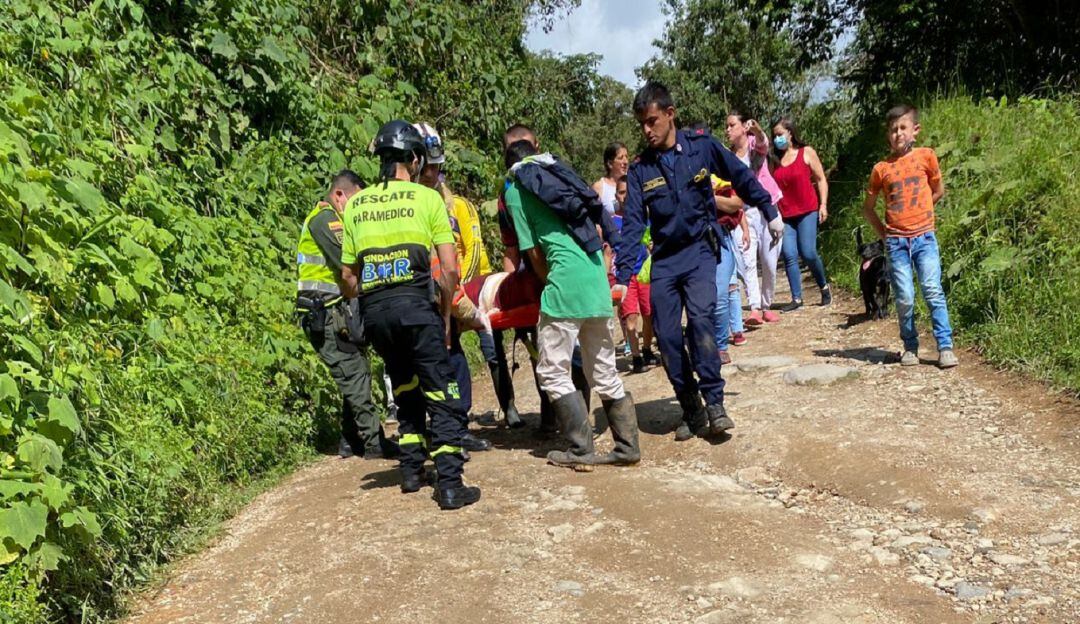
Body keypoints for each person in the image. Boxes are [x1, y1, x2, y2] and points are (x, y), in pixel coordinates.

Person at [617, 81, 782, 441]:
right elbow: (631, 226)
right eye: (642, 124)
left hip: (700, 251)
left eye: (652, 121)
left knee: (703, 322)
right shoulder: (641, 169)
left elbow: (740, 176)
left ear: (670, 114)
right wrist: (621, 275)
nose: (646, 130)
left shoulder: (701, 147)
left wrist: (768, 209)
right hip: (665, 259)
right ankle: (689, 405)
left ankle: (715, 402)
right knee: (666, 335)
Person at [340, 120, 480, 510]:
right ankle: (450, 483)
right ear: (414, 159)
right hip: (417, 308)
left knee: (404, 388)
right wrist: (448, 316)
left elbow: (348, 278)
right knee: (442, 391)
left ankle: (411, 470)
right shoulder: (427, 199)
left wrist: (372, 291)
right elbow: (450, 270)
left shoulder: (357, 205)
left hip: (376, 315)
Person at [504, 139, 640, 468]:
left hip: (564, 283)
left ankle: (581, 449)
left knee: (552, 371)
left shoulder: (515, 188)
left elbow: (532, 251)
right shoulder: (561, 177)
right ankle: (627, 447)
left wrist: (547, 282)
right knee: (603, 369)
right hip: (595, 279)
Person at [495, 123, 591, 435]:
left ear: (536, 146)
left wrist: (552, 280)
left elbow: (532, 248)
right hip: (543, 279)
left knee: (570, 352)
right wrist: (510, 292)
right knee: (547, 352)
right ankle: (555, 418)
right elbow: (513, 248)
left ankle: (579, 427)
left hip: (560, 274)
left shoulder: (555, 176)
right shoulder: (508, 192)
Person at [411, 122, 499, 447]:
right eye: (428, 166)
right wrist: (466, 309)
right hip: (425, 300)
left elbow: (456, 260)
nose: (434, 173)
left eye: (437, 167)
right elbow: (439, 266)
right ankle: (444, 436)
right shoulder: (419, 204)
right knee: (443, 365)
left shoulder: (444, 202)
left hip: (441, 299)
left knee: (453, 361)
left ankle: (449, 430)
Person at [295, 170, 392, 459]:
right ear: (339, 195)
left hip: (335, 311)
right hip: (325, 313)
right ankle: (374, 442)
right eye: (355, 200)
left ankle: (350, 440)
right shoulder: (325, 220)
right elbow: (349, 262)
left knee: (356, 370)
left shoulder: (331, 218)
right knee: (355, 373)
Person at [862, 105, 958, 369]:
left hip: (924, 238)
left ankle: (945, 345)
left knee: (932, 290)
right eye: (893, 130)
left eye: (903, 128)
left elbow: (937, 190)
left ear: (915, 130)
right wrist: (885, 234)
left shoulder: (927, 157)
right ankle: (910, 346)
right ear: (887, 135)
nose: (897, 134)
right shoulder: (881, 169)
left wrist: (922, 215)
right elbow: (868, 209)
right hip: (896, 244)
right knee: (904, 296)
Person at [725, 112, 783, 324]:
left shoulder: (754, 147)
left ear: (743, 127)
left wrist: (757, 129)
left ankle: (767, 304)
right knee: (747, 260)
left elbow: (763, 143)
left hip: (767, 209)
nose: (728, 130)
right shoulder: (728, 157)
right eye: (727, 126)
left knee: (769, 262)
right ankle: (755, 307)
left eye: (732, 125)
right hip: (744, 212)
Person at [770, 116, 832, 312]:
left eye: (779, 134)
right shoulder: (775, 161)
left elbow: (821, 179)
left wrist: (823, 205)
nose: (777, 139)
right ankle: (796, 298)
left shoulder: (806, 153)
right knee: (788, 254)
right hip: (785, 214)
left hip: (807, 211)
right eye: (774, 136)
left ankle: (823, 286)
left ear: (790, 133)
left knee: (808, 252)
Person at [611, 175, 655, 374]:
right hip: (625, 277)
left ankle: (647, 349)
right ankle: (636, 357)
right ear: (616, 195)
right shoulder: (611, 222)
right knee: (630, 319)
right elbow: (606, 250)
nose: (625, 197)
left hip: (644, 273)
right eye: (621, 193)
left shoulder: (644, 218)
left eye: (628, 192)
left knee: (649, 315)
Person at [711, 176, 752, 365]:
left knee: (722, 293)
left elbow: (736, 204)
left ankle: (720, 345)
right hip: (689, 238)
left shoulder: (722, 176)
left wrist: (709, 197)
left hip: (720, 236)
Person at [592, 142, 630, 216]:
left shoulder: (633, 181)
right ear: (610, 163)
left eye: (626, 157)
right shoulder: (599, 187)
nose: (626, 161)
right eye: (620, 158)